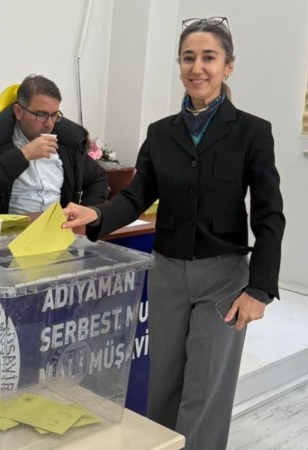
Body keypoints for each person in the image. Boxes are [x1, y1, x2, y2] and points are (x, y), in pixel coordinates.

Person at [62, 17, 285, 449]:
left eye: (208, 58)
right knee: (161, 386)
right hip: (167, 274)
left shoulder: (252, 132)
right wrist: (96, 214)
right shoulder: (160, 133)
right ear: (179, 65)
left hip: (224, 278)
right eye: (188, 58)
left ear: (228, 66)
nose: (197, 68)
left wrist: (260, 289)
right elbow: (135, 196)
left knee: (204, 393)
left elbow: (269, 215)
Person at [0, 75, 107, 217]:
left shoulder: (67, 141)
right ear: (18, 112)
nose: (49, 123)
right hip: (11, 229)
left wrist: (83, 215)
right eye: (41, 115)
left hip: (57, 227)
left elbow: (98, 178)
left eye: (54, 115)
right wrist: (23, 155)